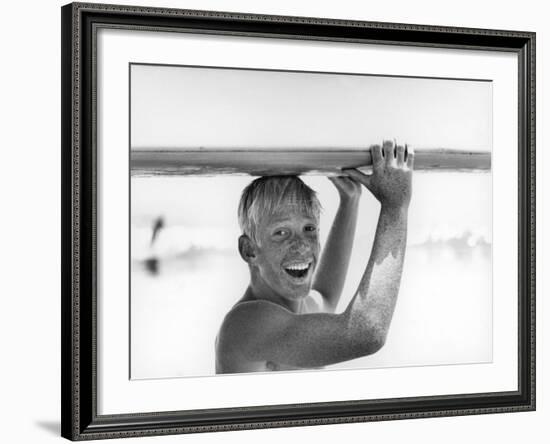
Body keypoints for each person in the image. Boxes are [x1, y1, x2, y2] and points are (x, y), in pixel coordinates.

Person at [215, 140, 414, 374]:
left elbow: (326, 296)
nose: (301, 246)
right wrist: (395, 206)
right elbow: (366, 333)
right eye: (281, 233)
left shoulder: (301, 308)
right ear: (249, 250)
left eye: (309, 229)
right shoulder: (246, 324)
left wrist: (350, 201)